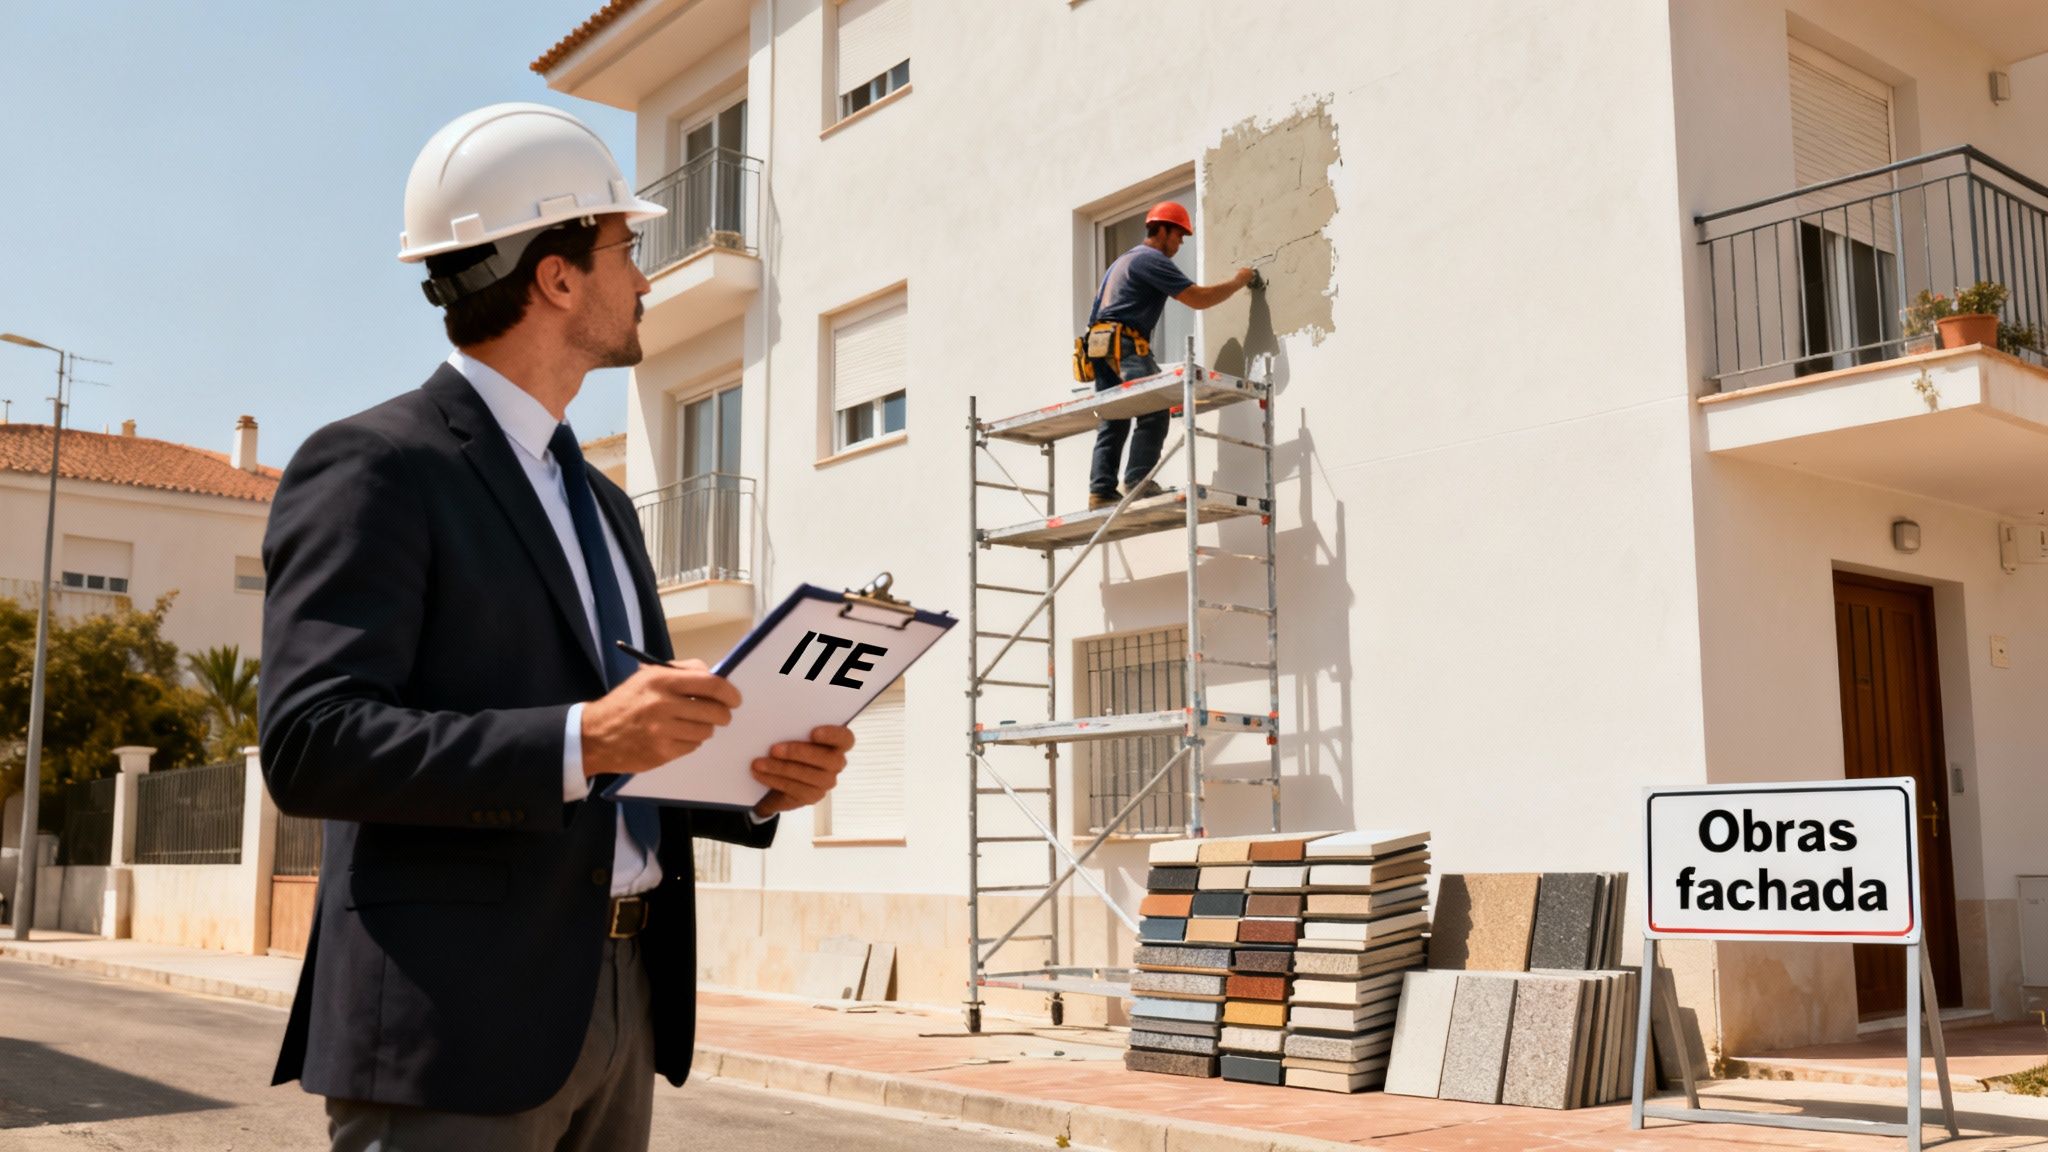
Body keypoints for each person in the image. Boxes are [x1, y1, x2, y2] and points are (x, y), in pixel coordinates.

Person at [258, 103, 854, 1151]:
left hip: (619, 998)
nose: (644, 280)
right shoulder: (376, 466)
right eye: (627, 249)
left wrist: (756, 777)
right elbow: (313, 743)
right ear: (557, 278)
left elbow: (625, 759)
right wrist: (584, 736)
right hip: (453, 1026)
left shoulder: (605, 504)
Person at [1084, 201, 1257, 509]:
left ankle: (1101, 490)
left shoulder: (1124, 260)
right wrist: (1238, 281)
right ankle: (1138, 482)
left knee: (1114, 417)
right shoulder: (1151, 259)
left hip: (1100, 345)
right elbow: (1198, 299)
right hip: (1125, 344)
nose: (1180, 244)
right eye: (1178, 236)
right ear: (1162, 231)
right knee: (1155, 408)